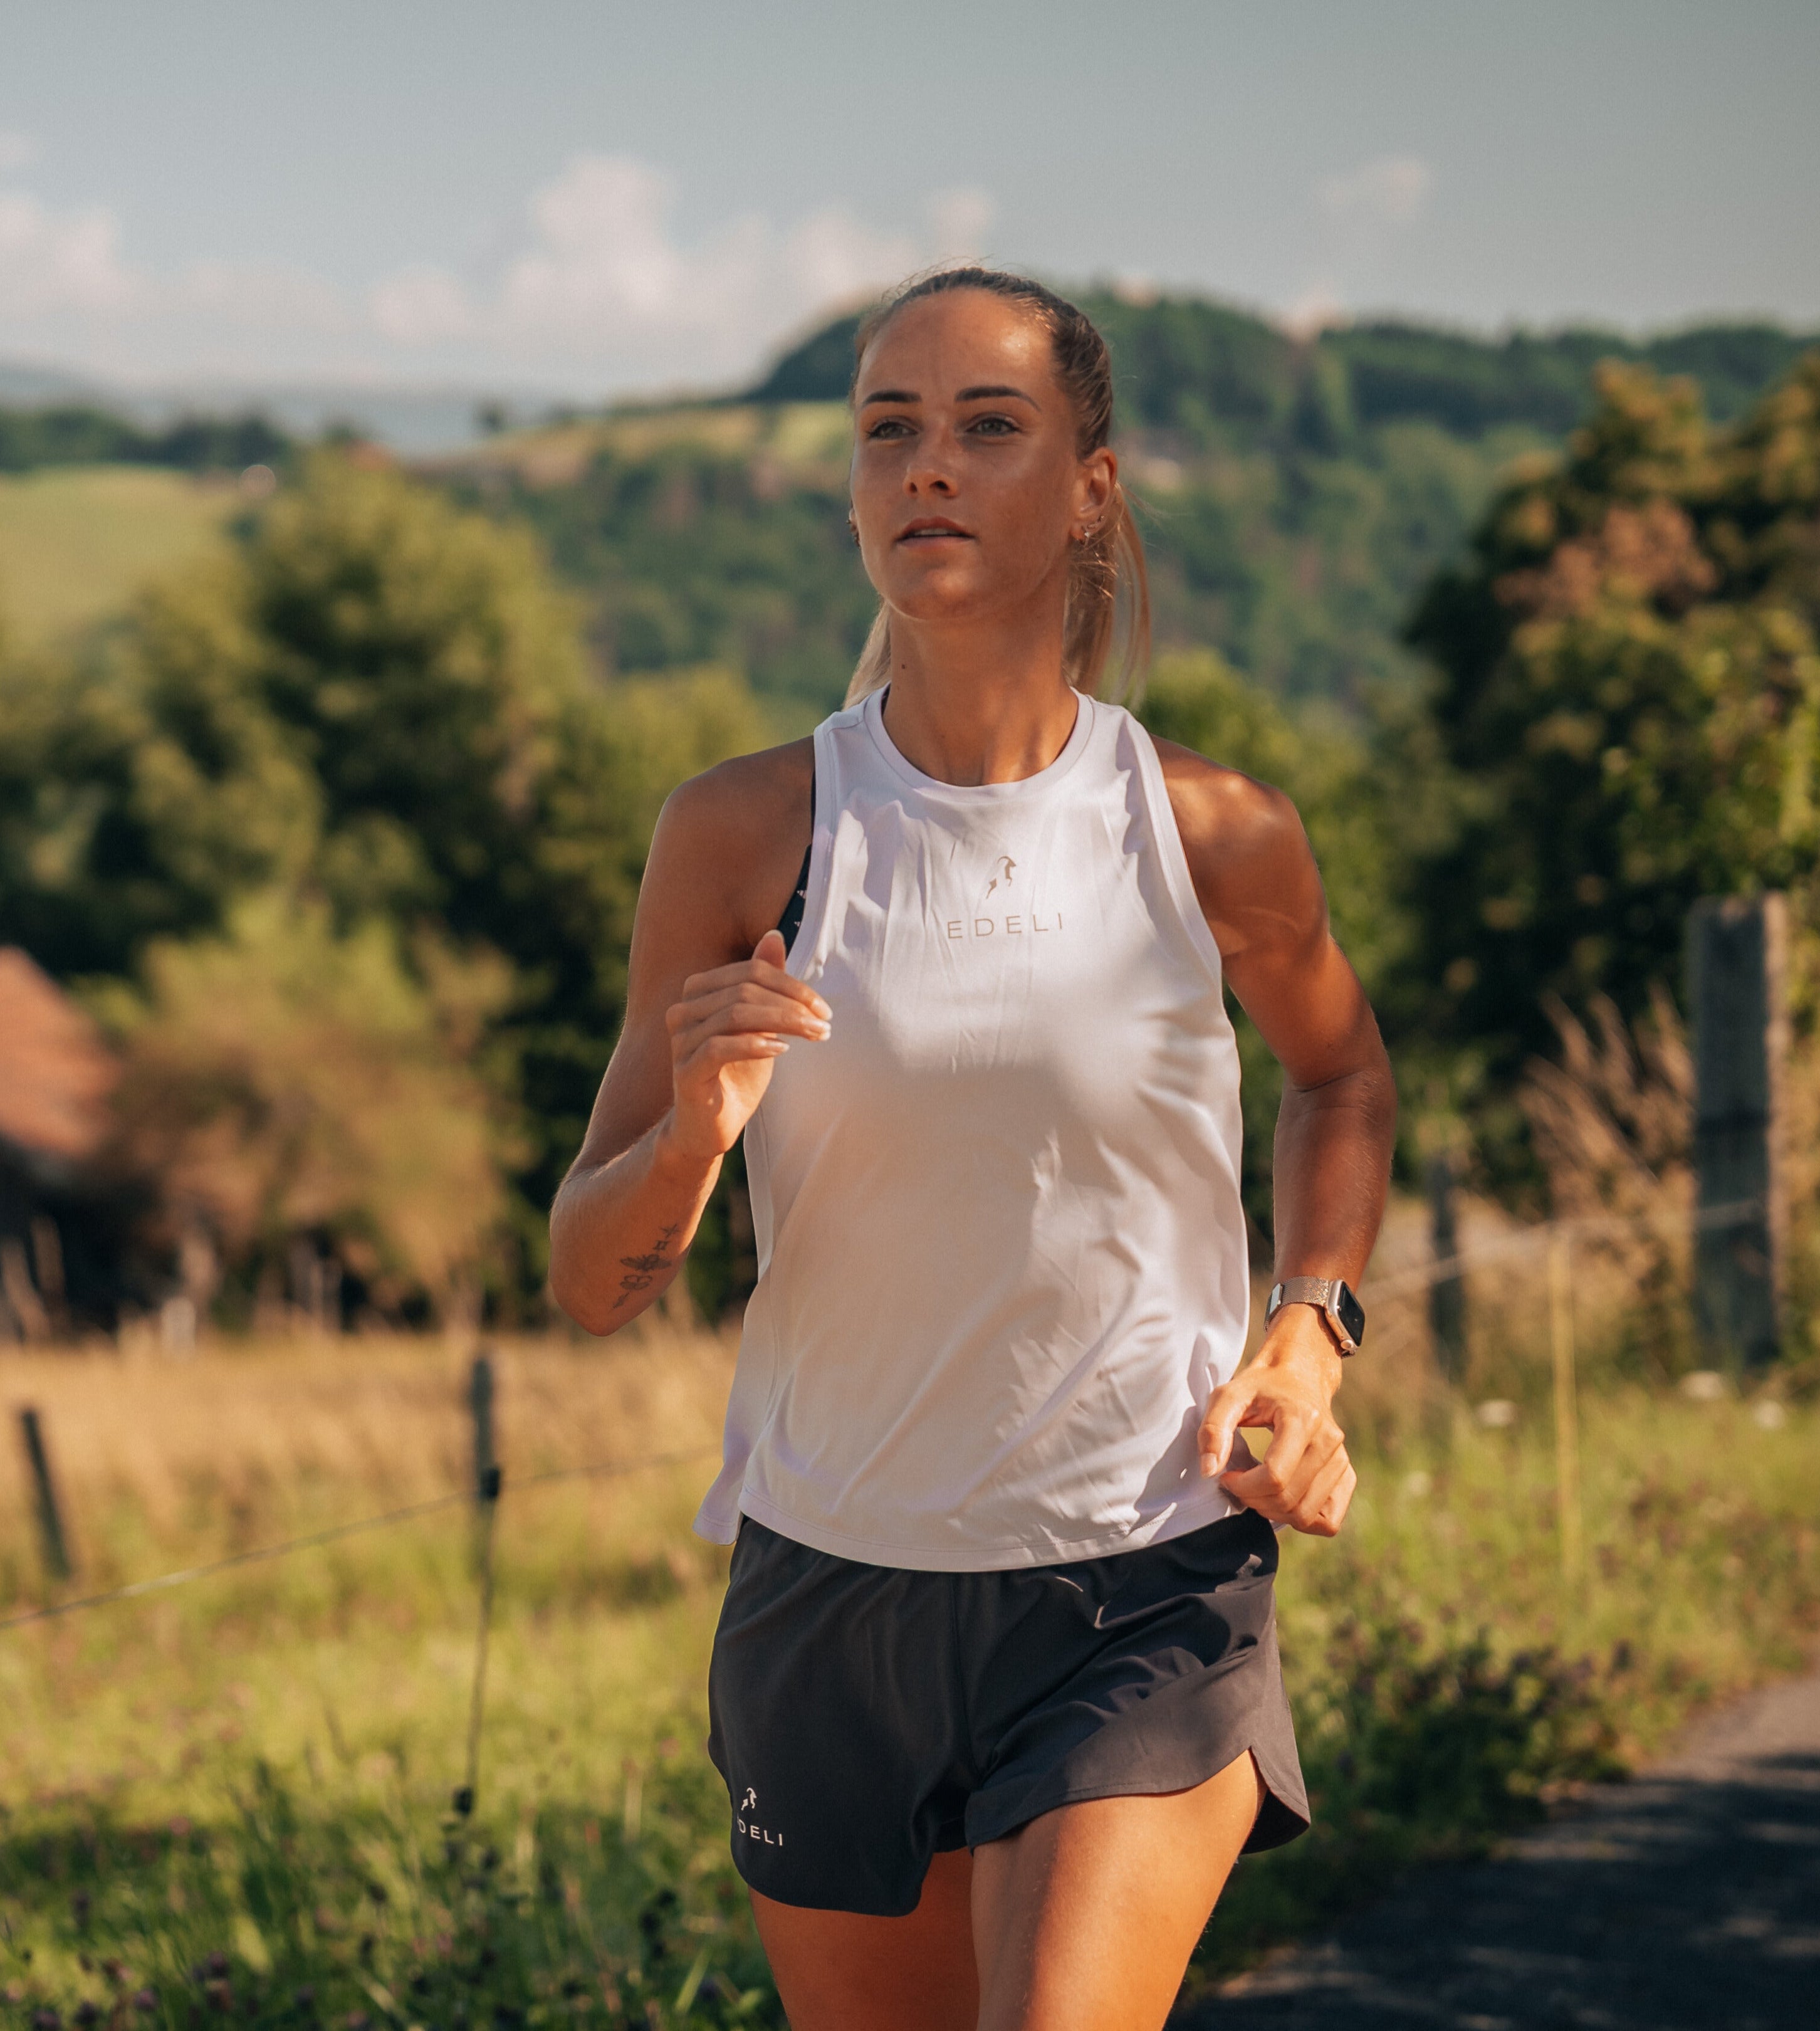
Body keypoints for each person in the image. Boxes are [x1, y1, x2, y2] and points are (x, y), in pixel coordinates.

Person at [545, 266, 1395, 2031]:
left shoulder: (1213, 834)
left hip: (1142, 1576)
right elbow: (588, 1279)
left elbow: (1343, 1082)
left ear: (1092, 484)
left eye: (988, 428)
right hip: (830, 1593)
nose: (929, 465)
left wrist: (1307, 1339)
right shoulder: (744, 834)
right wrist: (700, 1131)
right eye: (890, 431)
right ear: (856, 490)